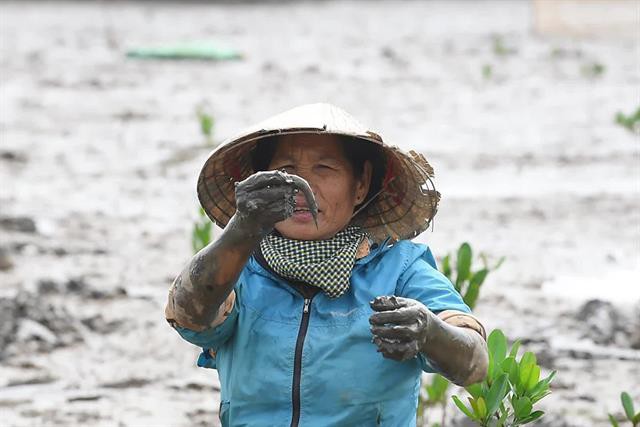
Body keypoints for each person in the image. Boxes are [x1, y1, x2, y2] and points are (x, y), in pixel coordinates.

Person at [165, 103, 488, 426]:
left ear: (360, 185)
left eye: (324, 168)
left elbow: (474, 361)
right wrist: (241, 229)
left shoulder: (401, 270)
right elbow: (189, 315)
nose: (302, 186)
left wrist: (430, 332)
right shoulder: (240, 268)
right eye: (286, 169)